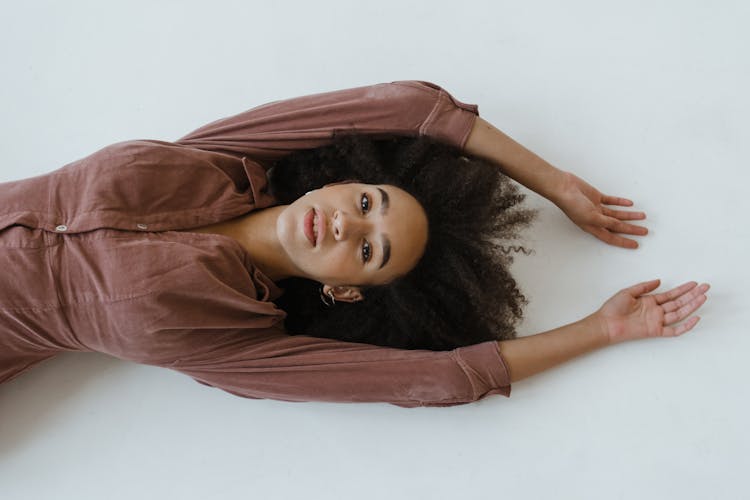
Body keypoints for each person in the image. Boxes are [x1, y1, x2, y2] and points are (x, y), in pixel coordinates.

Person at [0, 81, 709, 407]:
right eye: (368, 203)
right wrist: (555, 183)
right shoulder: (221, 158)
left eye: (369, 251)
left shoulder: (236, 339)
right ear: (341, 182)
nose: (348, 223)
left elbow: (443, 378)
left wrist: (600, 330)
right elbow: (410, 108)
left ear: (345, 291)